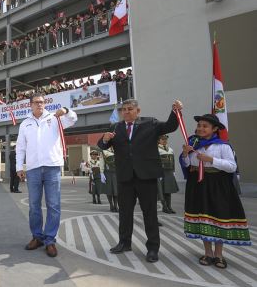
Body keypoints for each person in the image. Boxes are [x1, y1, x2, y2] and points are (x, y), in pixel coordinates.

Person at [98, 98, 182, 263]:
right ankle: (124, 242)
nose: (126, 112)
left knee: (149, 213)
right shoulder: (116, 127)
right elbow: (102, 146)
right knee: (125, 213)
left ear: (138, 111)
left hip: (146, 176)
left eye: (130, 109)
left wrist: (176, 112)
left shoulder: (150, 123)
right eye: (124, 109)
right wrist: (105, 139)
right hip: (125, 177)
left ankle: (152, 248)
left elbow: (170, 126)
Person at [181, 114, 251, 269]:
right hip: (198, 185)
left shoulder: (222, 145)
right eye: (199, 125)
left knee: (218, 217)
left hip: (218, 185)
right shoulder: (193, 143)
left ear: (214, 129)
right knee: (203, 217)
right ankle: (208, 253)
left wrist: (211, 160)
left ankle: (219, 254)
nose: (200, 128)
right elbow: (188, 165)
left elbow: (232, 166)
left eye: (205, 126)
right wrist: (186, 154)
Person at [16, 93, 77, 257]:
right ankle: (37, 237)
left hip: (52, 167)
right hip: (33, 168)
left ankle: (50, 239)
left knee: (53, 205)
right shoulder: (25, 124)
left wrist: (66, 110)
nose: (40, 105)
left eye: (42, 102)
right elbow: (20, 147)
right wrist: (18, 167)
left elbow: (72, 119)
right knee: (34, 206)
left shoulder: (55, 118)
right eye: (36, 102)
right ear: (30, 105)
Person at [158, 135, 179, 214]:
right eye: (162, 139)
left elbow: (173, 161)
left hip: (169, 172)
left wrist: (173, 171)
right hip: (162, 173)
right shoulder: (157, 150)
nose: (164, 141)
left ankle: (169, 206)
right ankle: (164, 207)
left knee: (168, 191)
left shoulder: (170, 149)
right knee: (162, 191)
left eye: (165, 139)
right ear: (158, 140)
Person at [102, 147, 118, 212]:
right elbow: (101, 162)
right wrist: (101, 172)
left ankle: (116, 205)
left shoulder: (117, 148)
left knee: (116, 190)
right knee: (109, 190)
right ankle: (111, 205)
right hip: (108, 172)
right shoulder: (104, 150)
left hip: (116, 172)